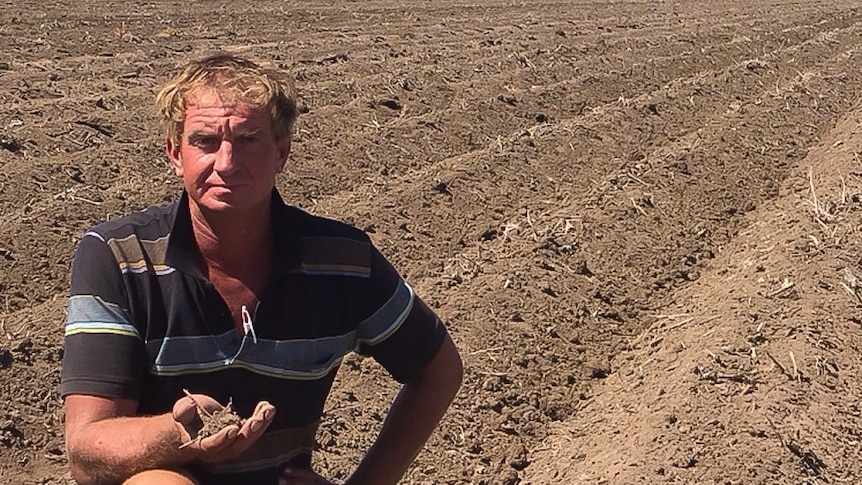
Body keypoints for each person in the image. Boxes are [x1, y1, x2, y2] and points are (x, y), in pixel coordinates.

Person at [60, 54, 463, 485]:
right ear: (176, 154)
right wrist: (176, 433)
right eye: (205, 141)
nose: (227, 161)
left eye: (250, 139)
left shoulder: (341, 262)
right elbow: (86, 450)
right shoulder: (120, 257)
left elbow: (438, 370)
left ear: (282, 153)